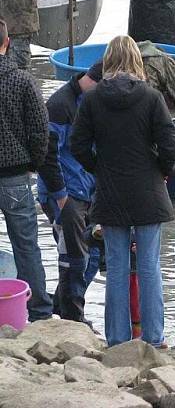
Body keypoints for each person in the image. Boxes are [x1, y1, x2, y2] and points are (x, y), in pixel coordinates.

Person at [70, 35, 175, 347]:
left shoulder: (92, 99)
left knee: (116, 268)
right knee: (149, 268)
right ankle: (154, 338)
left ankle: (117, 340)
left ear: (108, 61)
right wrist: (161, 170)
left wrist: (97, 167)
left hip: (110, 191)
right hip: (147, 190)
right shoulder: (150, 97)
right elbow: (170, 142)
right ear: (136, 60)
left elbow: (77, 144)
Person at [36, 61, 102, 323]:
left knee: (95, 254)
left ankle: (60, 305)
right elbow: (46, 156)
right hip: (62, 194)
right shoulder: (60, 105)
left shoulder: (92, 103)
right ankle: (74, 319)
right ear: (95, 81)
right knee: (74, 257)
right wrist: (61, 197)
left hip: (87, 192)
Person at [0, 18, 52, 321]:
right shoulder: (21, 80)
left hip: (16, 171)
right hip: (16, 174)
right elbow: (39, 129)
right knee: (26, 245)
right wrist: (34, 162)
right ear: (7, 43)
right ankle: (39, 310)